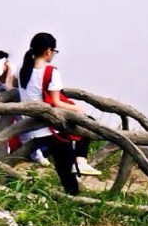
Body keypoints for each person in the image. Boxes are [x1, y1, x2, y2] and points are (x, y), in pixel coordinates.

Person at [16, 33, 100, 195]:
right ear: (48, 51)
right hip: (48, 126)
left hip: (29, 126)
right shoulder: (51, 71)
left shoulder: (22, 69)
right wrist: (78, 109)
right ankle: (80, 163)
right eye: (54, 51)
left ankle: (76, 173)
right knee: (87, 122)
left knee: (63, 163)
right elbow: (56, 102)